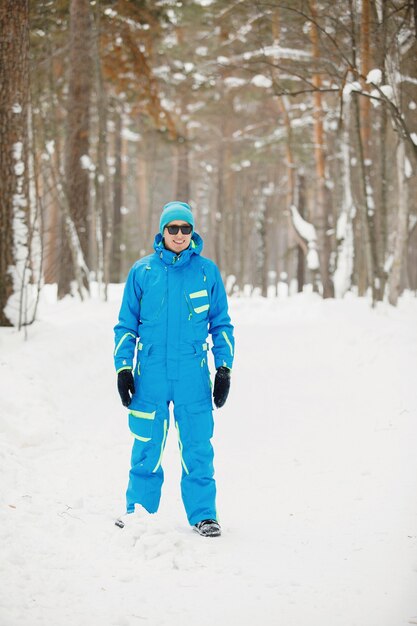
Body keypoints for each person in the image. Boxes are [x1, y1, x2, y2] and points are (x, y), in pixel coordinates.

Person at [113, 201, 234, 537]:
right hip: (150, 373)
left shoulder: (207, 272)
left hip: (192, 375)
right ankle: (138, 510)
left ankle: (204, 514)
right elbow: (125, 326)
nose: (179, 235)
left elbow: (221, 325)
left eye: (185, 228)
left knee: (197, 445)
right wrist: (123, 369)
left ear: (192, 233)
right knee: (146, 444)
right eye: (173, 228)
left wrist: (223, 369)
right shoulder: (143, 272)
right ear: (162, 232)